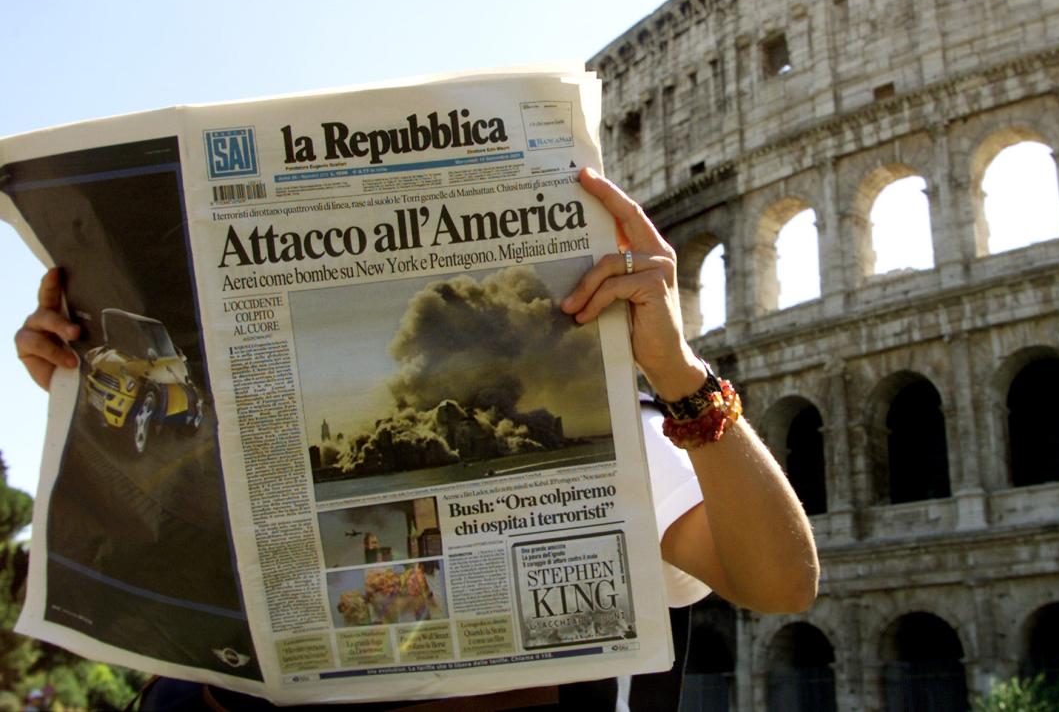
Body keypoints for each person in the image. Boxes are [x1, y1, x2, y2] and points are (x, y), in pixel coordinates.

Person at [15, 168, 819, 710]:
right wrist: (81, 393)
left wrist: (678, 373)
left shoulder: (614, 436)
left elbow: (781, 581)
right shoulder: (239, 437)